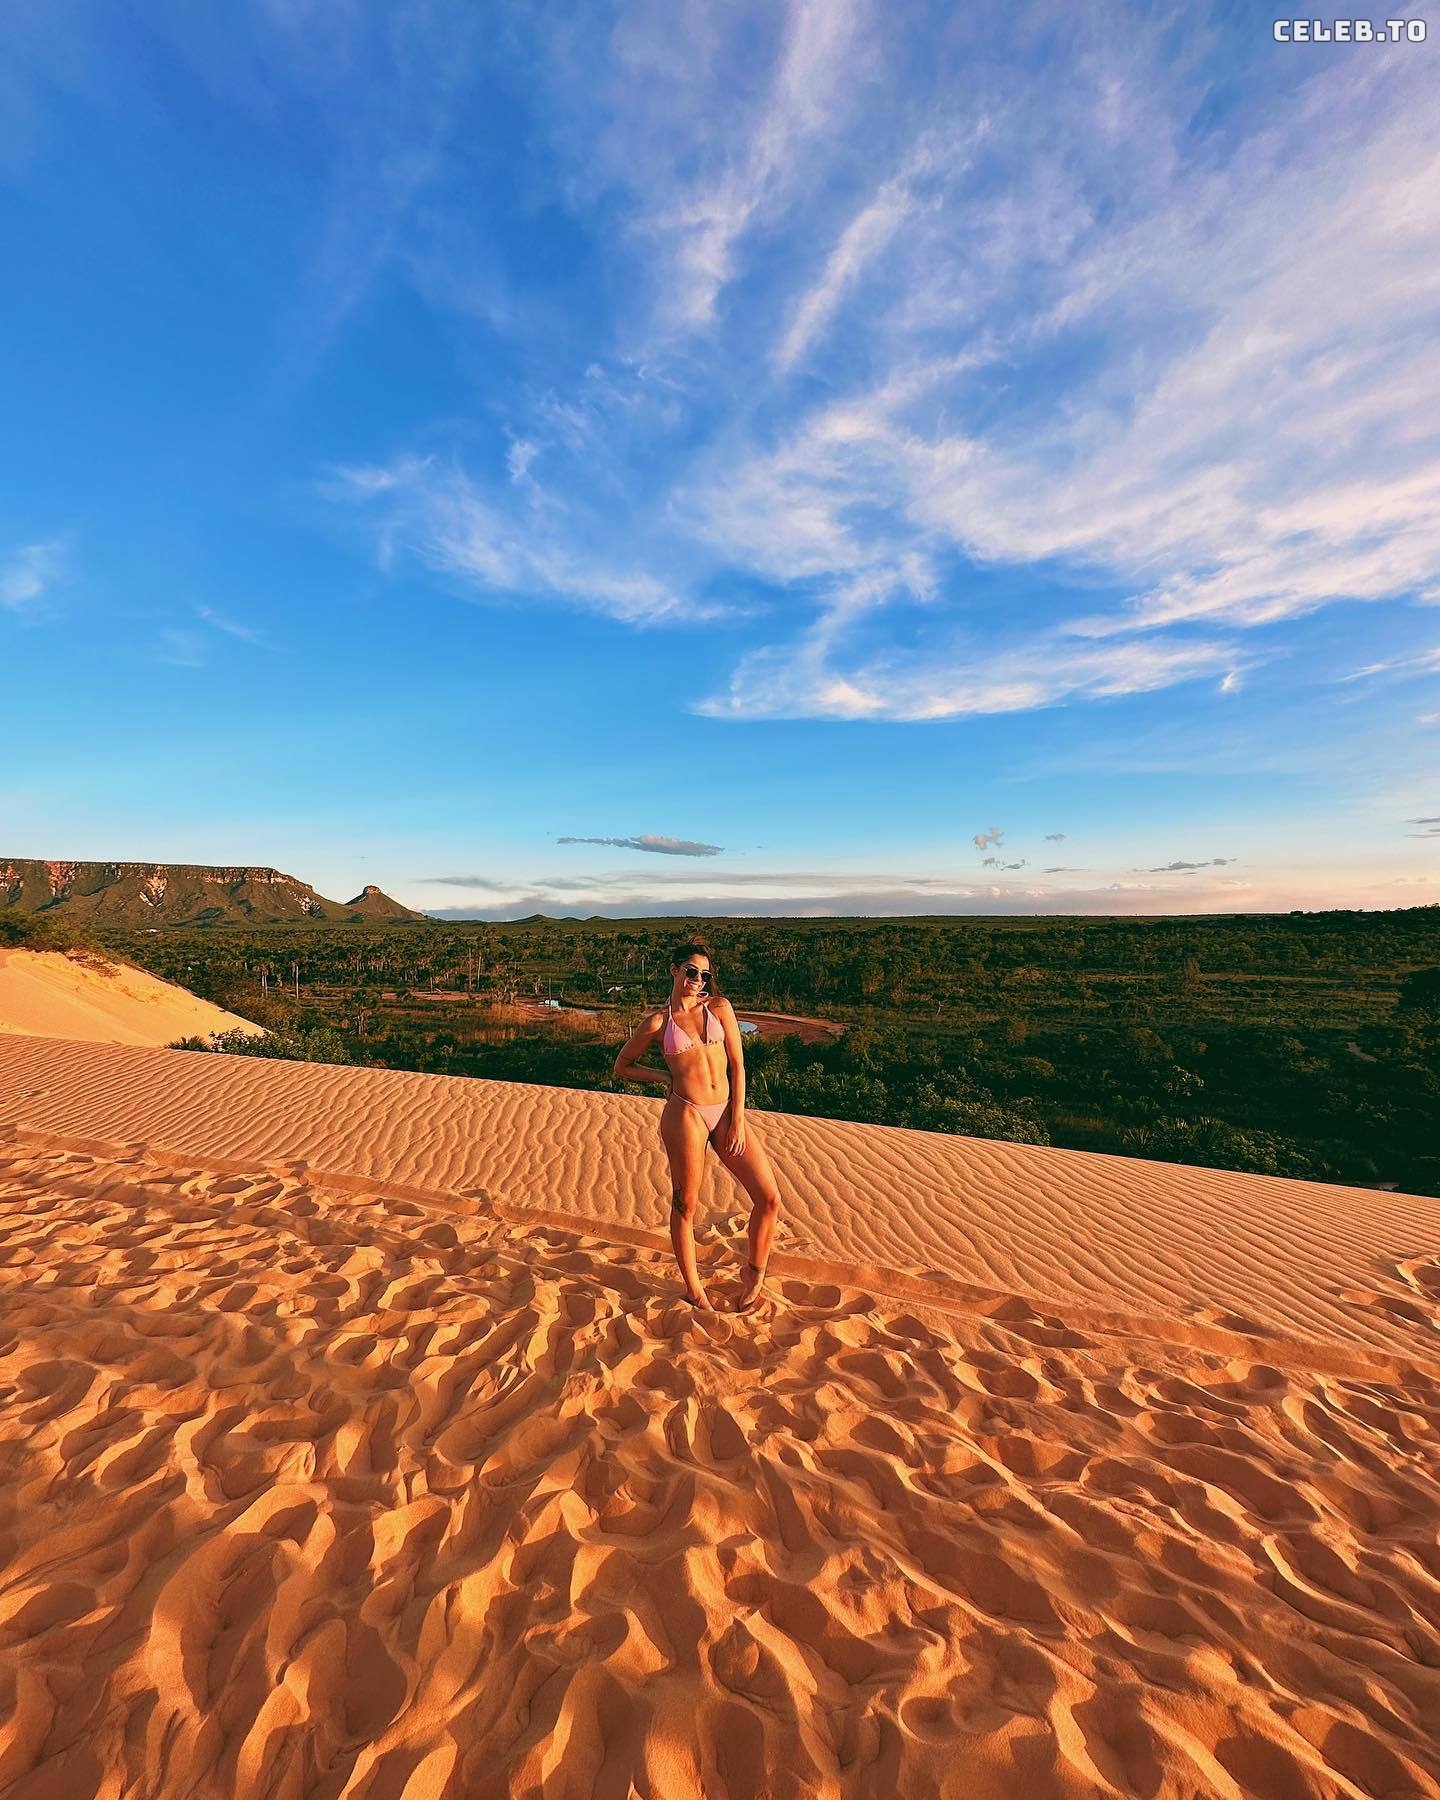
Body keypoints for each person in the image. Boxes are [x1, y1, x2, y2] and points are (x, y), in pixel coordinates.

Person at [613, 939, 782, 1312]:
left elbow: (738, 1067)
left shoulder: (719, 1008)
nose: (698, 979)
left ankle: (754, 1273)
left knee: (769, 1198)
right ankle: (694, 1289)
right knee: (686, 1204)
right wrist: (664, 1078)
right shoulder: (658, 1021)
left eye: (705, 974)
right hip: (685, 1112)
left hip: (726, 1111)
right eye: (691, 971)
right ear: (674, 971)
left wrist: (737, 1118)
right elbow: (622, 1066)